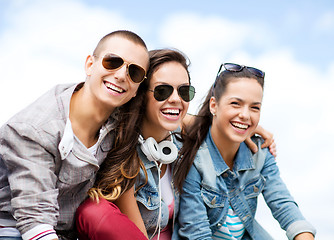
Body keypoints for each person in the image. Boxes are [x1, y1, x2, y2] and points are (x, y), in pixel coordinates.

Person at [75, 50, 276, 240]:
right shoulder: (125, 153)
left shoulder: (181, 142)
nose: (175, 99)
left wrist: (246, 129)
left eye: (184, 91)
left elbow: (200, 122)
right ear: (142, 93)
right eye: (162, 91)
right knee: (94, 210)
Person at [0, 30, 150, 240]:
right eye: (112, 62)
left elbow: (170, 114)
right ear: (90, 64)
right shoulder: (34, 130)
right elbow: (35, 225)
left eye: (134, 72)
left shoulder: (120, 121)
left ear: (137, 89)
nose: (121, 75)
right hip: (18, 230)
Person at [174, 63, 316, 240]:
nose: (245, 115)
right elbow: (197, 233)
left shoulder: (260, 153)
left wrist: (304, 235)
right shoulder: (193, 157)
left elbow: (283, 204)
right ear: (214, 105)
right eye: (235, 104)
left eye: (255, 107)